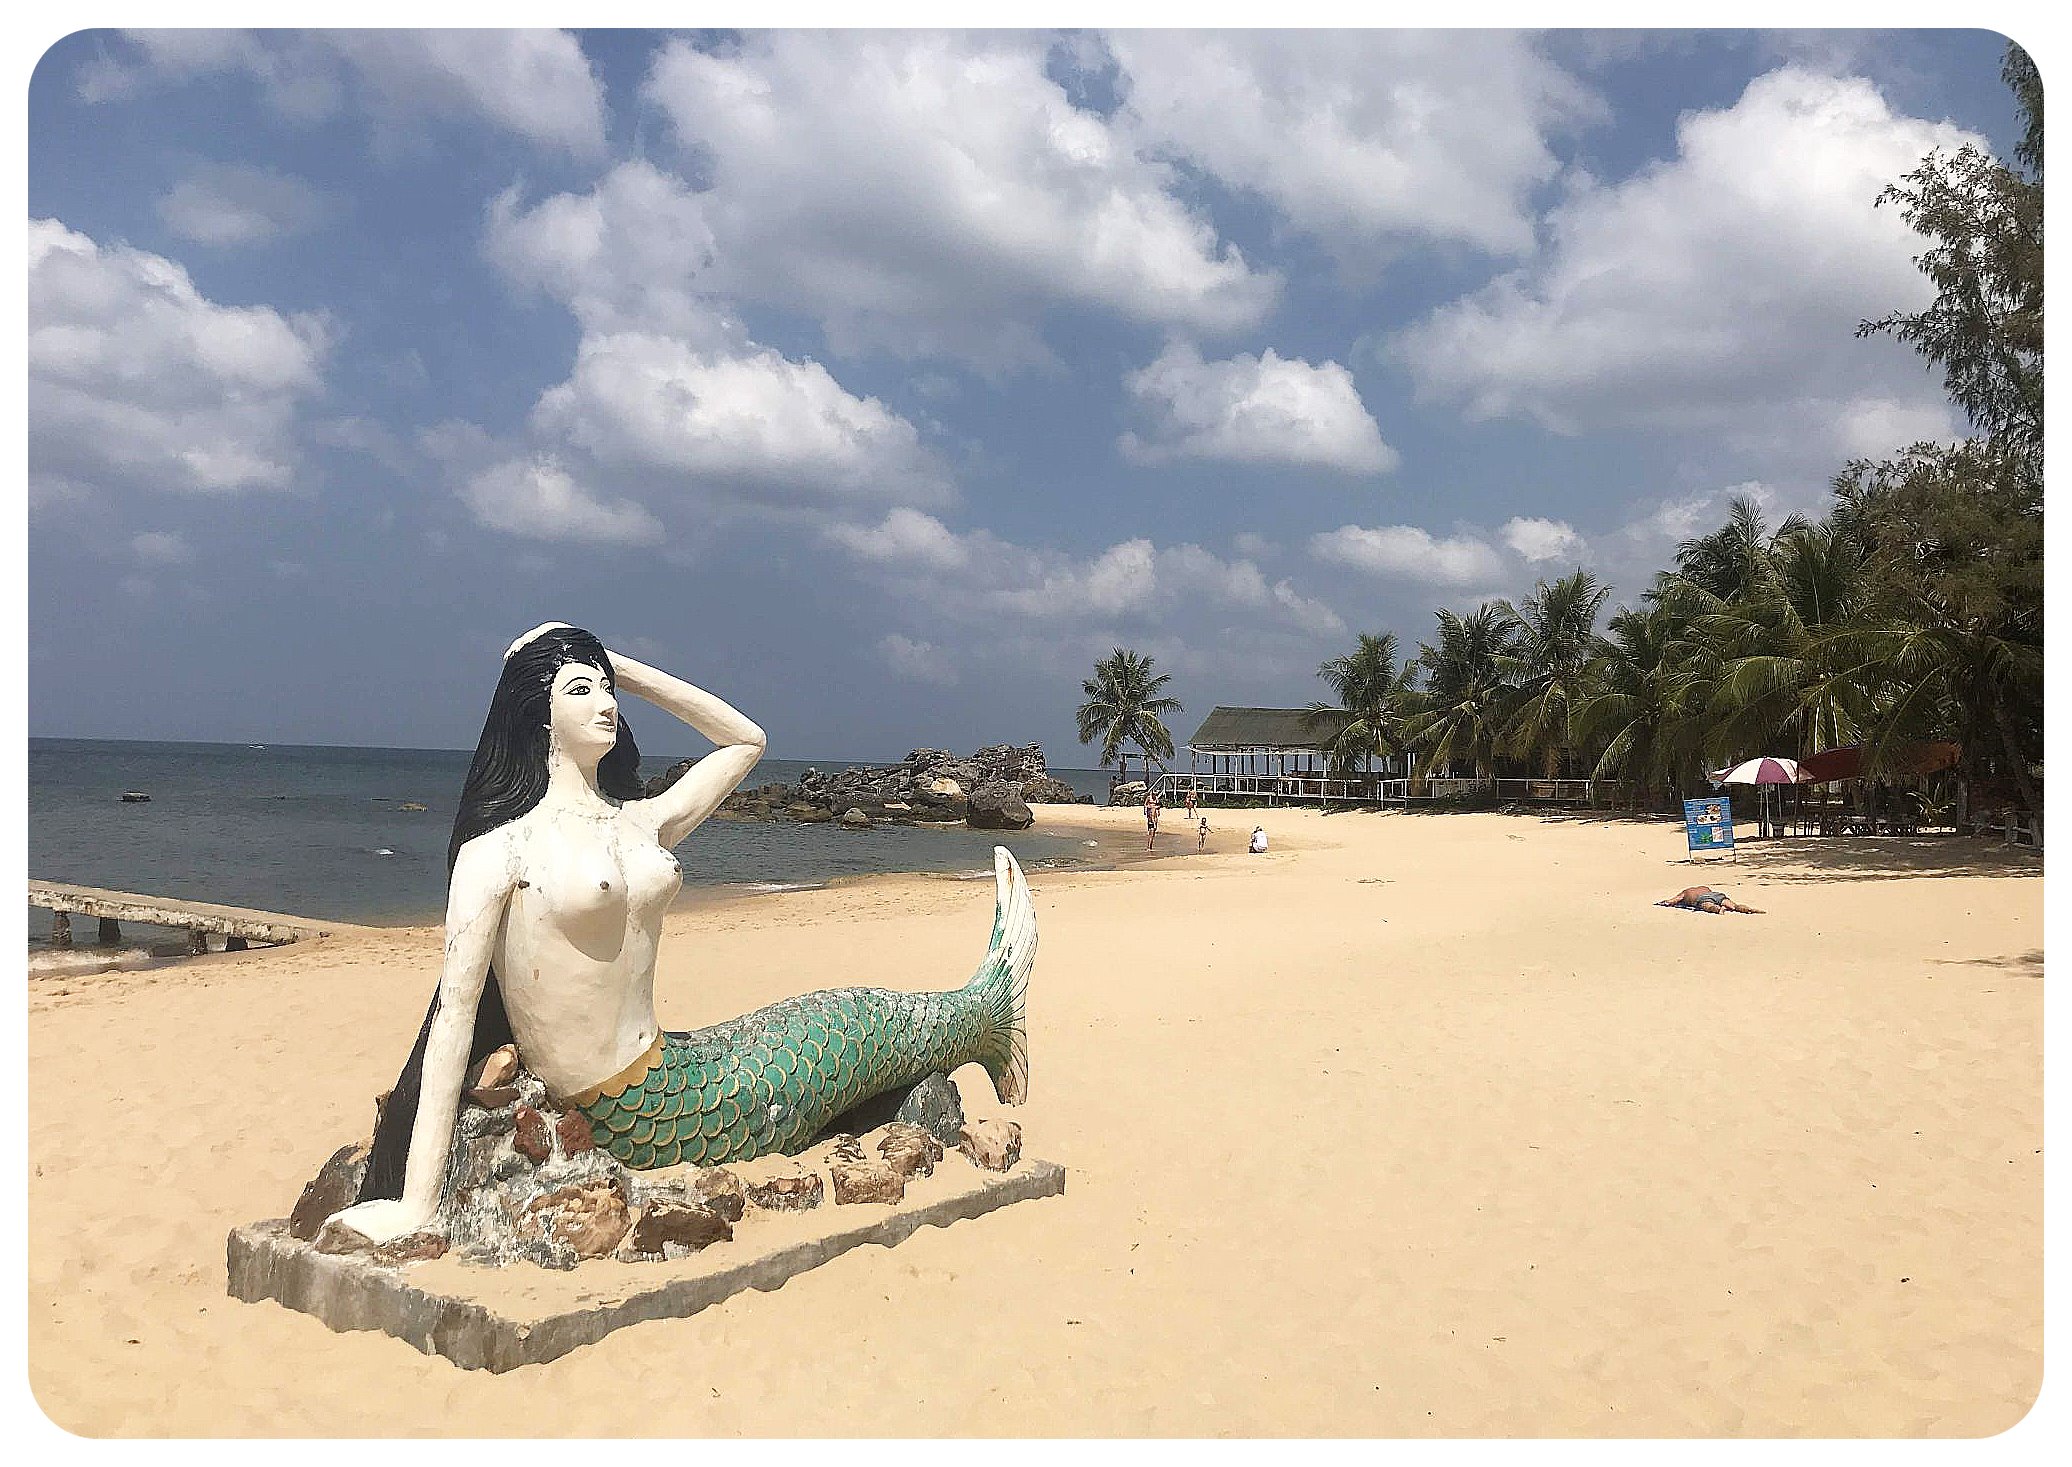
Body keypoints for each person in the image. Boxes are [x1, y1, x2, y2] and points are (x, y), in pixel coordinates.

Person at [326, 622, 1037, 1246]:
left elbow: (745, 740)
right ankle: (988, 1016)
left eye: (608, 690)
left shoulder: (637, 821)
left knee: (842, 1016)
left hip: (678, 1070)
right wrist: (416, 1204)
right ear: (535, 714)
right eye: (580, 689)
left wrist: (619, 662)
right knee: (843, 1025)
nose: (605, 703)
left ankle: (986, 1016)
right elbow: (453, 1015)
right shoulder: (500, 851)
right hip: (634, 1112)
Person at [1657, 885, 1763, 915]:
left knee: (1710, 906)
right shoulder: (1704, 887)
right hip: (1715, 894)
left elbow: (1673, 901)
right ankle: (1750, 909)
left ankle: (1719, 910)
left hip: (1702, 899)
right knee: (1734, 906)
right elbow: (1711, 894)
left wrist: (1664, 902)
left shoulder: (1685, 892)